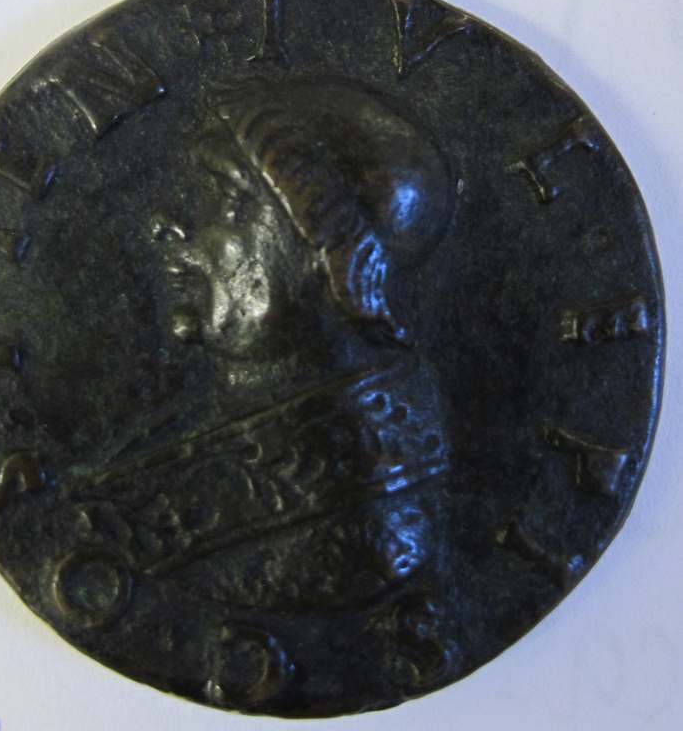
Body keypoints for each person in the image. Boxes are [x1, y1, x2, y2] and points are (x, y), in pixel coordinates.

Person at [85, 76, 454, 610]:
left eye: (225, 199)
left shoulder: (366, 523)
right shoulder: (175, 449)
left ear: (331, 259)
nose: (166, 223)